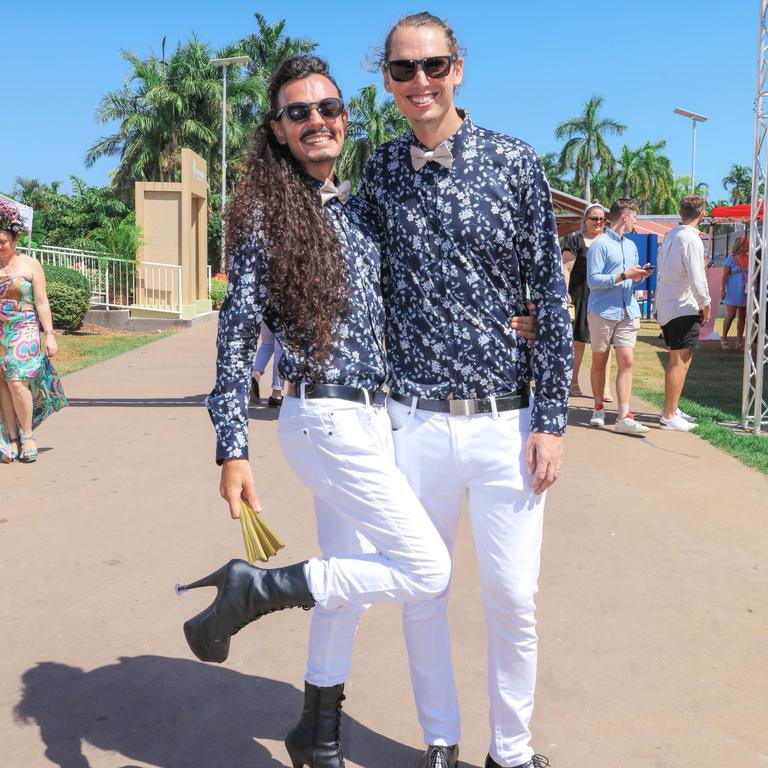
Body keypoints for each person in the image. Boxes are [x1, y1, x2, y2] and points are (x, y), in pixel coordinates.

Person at [180, 54, 536, 768]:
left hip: (380, 418)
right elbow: (236, 336)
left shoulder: (353, 207)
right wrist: (232, 445)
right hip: (327, 419)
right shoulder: (265, 216)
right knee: (425, 569)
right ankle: (261, 587)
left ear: (347, 118)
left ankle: (319, 732)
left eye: (329, 108)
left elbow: (431, 268)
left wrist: (509, 316)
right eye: (298, 112)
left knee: (344, 580)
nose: (318, 121)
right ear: (276, 130)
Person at [359, 13, 572, 768]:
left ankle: (510, 751)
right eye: (404, 70)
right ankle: (440, 742)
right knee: (424, 593)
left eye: (435, 66)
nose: (422, 82)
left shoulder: (515, 163)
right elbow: (355, 278)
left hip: (505, 423)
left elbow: (549, 289)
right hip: (411, 422)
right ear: (386, 79)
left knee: (513, 599)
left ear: (459, 69)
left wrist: (552, 417)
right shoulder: (378, 170)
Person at [0, 200, 67, 463]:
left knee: (17, 381)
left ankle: (28, 436)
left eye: (3, 241)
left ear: (15, 239)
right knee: (3, 383)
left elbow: (41, 301)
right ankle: (12, 439)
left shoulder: (30, 265)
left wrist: (49, 334)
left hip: (25, 327)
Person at [586, 198, 652, 435]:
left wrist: (638, 276)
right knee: (599, 360)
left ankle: (623, 414)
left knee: (627, 360)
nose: (636, 221)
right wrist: (625, 275)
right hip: (603, 311)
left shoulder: (632, 246)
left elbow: (629, 277)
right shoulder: (599, 245)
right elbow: (593, 280)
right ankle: (598, 406)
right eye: (635, 216)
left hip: (627, 310)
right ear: (625, 217)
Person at [654, 195, 710, 431]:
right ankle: (668, 415)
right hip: (682, 306)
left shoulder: (671, 235)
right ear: (702, 214)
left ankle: (672, 408)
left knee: (678, 360)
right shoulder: (691, 239)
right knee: (680, 361)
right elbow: (697, 276)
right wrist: (705, 303)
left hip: (668, 305)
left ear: (680, 212)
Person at [561, 203, 612, 400]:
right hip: (580, 298)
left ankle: (605, 387)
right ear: (585, 220)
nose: (598, 222)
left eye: (601, 219)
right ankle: (573, 381)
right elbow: (566, 268)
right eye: (594, 218)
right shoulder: (576, 241)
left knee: (604, 346)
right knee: (578, 344)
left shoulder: (609, 242)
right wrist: (564, 293)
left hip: (603, 300)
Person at [720, 235, 749, 350]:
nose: (748, 245)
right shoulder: (730, 259)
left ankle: (739, 341)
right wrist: (723, 290)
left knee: (742, 316)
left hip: (745, 291)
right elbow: (725, 276)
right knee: (731, 315)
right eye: (746, 243)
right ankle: (724, 338)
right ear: (740, 245)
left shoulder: (751, 258)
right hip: (732, 290)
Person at [251, 321, 284, 406]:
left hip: (266, 311)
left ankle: (255, 374)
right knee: (280, 349)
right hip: (283, 312)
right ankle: (276, 393)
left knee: (267, 343)